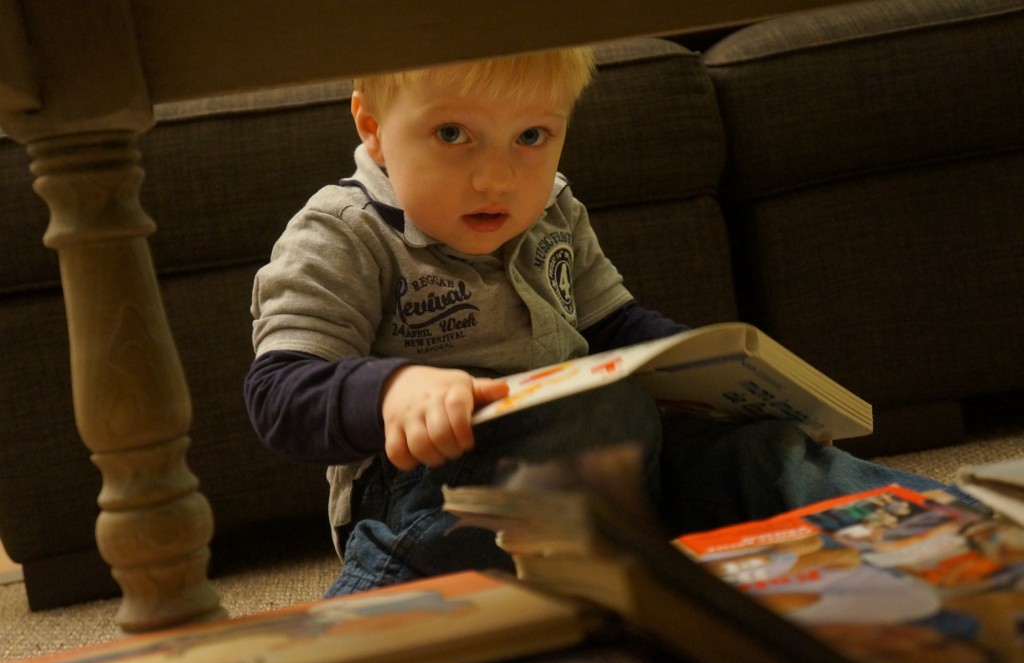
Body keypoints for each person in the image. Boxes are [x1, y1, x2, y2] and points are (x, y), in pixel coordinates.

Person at [244, 46, 965, 596]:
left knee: (756, 449)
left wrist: (724, 380)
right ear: (372, 129)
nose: (497, 177)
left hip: (606, 458)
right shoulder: (343, 232)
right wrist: (393, 390)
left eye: (532, 135)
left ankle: (944, 525)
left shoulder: (554, 209)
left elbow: (615, 328)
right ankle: (380, 596)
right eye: (453, 134)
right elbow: (279, 393)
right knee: (602, 409)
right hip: (434, 490)